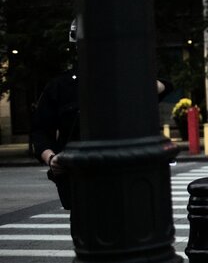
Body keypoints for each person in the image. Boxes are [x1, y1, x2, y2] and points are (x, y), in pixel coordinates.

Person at [30, 19, 173, 210]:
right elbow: (39, 132)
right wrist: (51, 158)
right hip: (81, 180)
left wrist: (125, 70)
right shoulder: (60, 87)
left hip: (122, 179)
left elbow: (163, 87)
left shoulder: (122, 79)